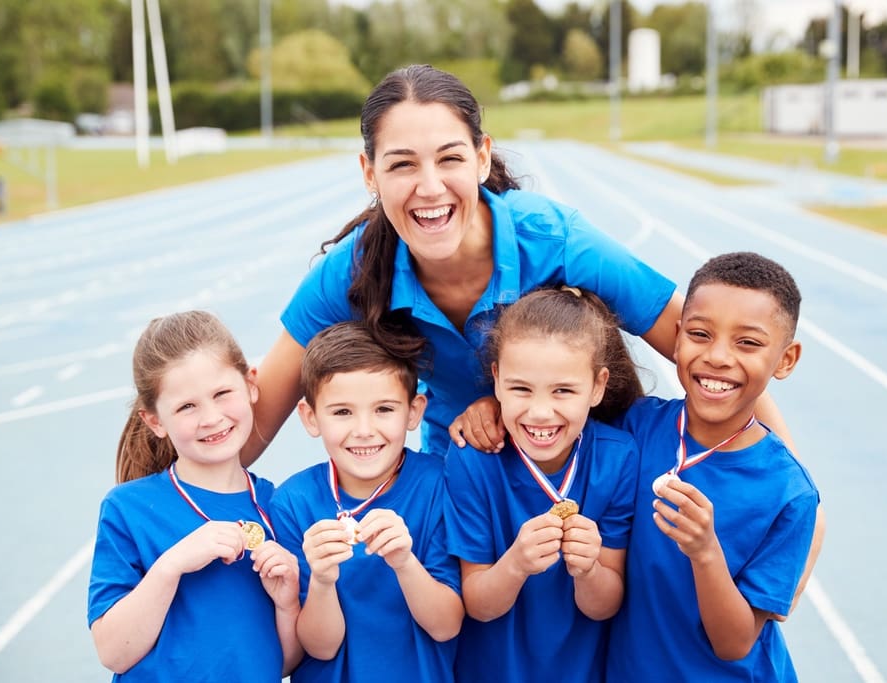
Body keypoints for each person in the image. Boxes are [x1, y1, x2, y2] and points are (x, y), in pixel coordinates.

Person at [243, 63, 682, 462]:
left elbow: (703, 347)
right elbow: (255, 425)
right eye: (402, 165)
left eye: (450, 158)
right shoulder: (353, 269)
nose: (430, 187)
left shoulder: (555, 239)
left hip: (583, 467)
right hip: (462, 470)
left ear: (482, 157)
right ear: (370, 172)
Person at [607, 252, 819, 682]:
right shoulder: (637, 426)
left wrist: (705, 552)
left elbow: (734, 643)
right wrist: (487, 409)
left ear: (786, 360)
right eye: (701, 334)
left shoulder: (789, 494)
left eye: (748, 343)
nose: (718, 356)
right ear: (679, 336)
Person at [87, 310, 303, 682]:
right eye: (187, 406)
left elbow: (283, 664)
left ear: (251, 384)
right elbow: (113, 652)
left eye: (222, 394)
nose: (211, 417)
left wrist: (287, 603)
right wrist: (171, 566)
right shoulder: (128, 509)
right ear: (155, 421)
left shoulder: (281, 507)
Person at [444, 286, 643, 683]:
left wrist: (589, 569)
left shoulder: (618, 459)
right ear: (497, 380)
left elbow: (604, 605)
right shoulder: (472, 461)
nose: (539, 412)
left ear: (598, 386)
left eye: (563, 391)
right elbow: (477, 603)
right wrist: (516, 564)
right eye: (521, 389)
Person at [269, 321, 462, 683]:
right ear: (311, 418)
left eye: (384, 410)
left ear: (414, 411)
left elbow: (446, 625)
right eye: (342, 412)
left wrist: (405, 562)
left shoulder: (439, 484)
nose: (363, 430)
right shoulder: (292, 504)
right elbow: (320, 648)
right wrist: (323, 581)